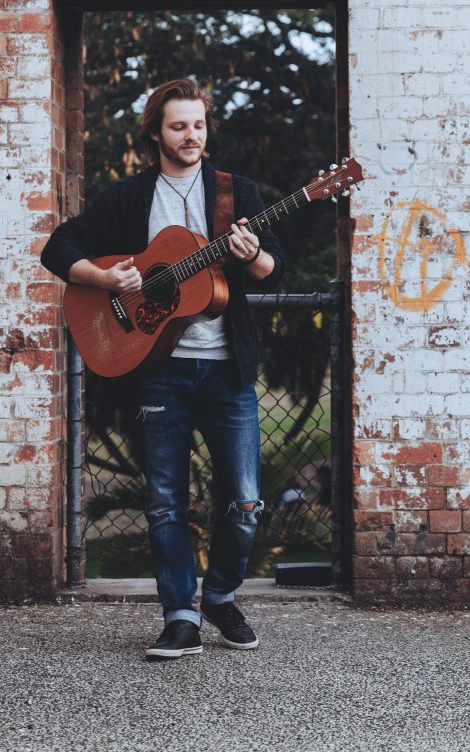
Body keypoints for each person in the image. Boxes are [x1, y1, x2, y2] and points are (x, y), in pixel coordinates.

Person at [40, 79, 284, 660]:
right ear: (156, 132)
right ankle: (180, 618)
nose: (191, 136)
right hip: (160, 369)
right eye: (179, 126)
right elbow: (59, 246)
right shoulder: (130, 197)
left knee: (246, 502)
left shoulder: (235, 193)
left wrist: (252, 256)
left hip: (227, 373)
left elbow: (272, 271)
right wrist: (104, 279)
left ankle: (220, 597)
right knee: (167, 503)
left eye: (198, 125)